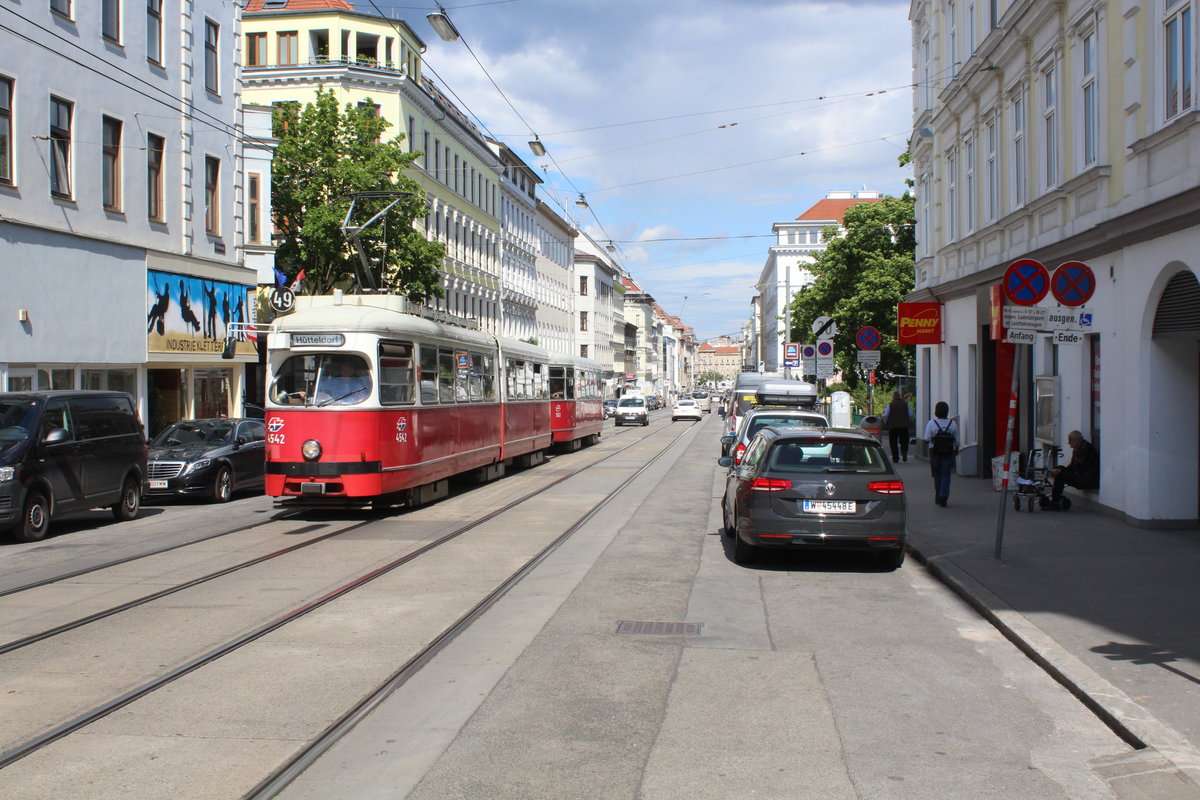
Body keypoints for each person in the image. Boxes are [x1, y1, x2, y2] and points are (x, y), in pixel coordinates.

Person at [1048, 430, 1099, 508]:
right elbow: (1072, 467)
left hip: (1086, 478)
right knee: (1059, 469)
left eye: (1070, 440)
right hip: (1080, 474)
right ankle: (1056, 497)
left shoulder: (1086, 449)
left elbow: (1079, 466)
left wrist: (1062, 471)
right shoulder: (1077, 449)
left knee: (1060, 476)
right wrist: (1059, 469)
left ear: (1077, 440)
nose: (1068, 443)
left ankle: (1055, 501)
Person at [923, 401, 958, 507]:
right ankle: (943, 494)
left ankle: (938, 495)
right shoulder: (953, 423)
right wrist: (956, 449)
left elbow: (926, 438)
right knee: (946, 474)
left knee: (937, 474)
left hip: (934, 451)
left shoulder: (931, 423)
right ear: (947, 411)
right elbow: (957, 441)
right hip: (948, 452)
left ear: (936, 412)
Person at [882, 390, 912, 462]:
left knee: (893, 443)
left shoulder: (890, 405)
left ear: (893, 397)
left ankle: (895, 458)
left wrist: (886, 422)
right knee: (904, 441)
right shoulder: (905, 404)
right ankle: (904, 452)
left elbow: (886, 415)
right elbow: (910, 415)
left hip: (893, 427)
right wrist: (907, 421)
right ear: (899, 396)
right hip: (904, 427)